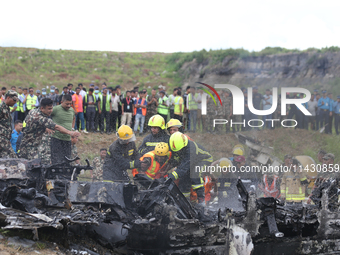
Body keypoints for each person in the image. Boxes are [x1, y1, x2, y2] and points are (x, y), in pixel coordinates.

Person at [168, 132, 213, 204]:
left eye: (179, 150)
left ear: (184, 145)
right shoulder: (175, 146)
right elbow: (174, 161)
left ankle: (201, 201)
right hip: (191, 162)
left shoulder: (191, 149)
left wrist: (171, 176)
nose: (178, 152)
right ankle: (185, 202)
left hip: (204, 159)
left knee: (195, 174)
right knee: (183, 179)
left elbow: (184, 167)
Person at [50, 94, 76, 164]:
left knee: (67, 160)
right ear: (61, 102)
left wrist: (72, 128)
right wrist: (48, 127)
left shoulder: (72, 110)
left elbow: (74, 118)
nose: (68, 106)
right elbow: (46, 116)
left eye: (70, 104)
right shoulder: (55, 109)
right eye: (67, 104)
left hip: (67, 139)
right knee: (56, 160)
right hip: (56, 138)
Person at [0, 90, 19, 158]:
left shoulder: (7, 108)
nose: (15, 102)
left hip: (6, 138)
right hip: (2, 139)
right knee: (13, 158)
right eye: (14, 100)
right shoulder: (1, 107)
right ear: (8, 98)